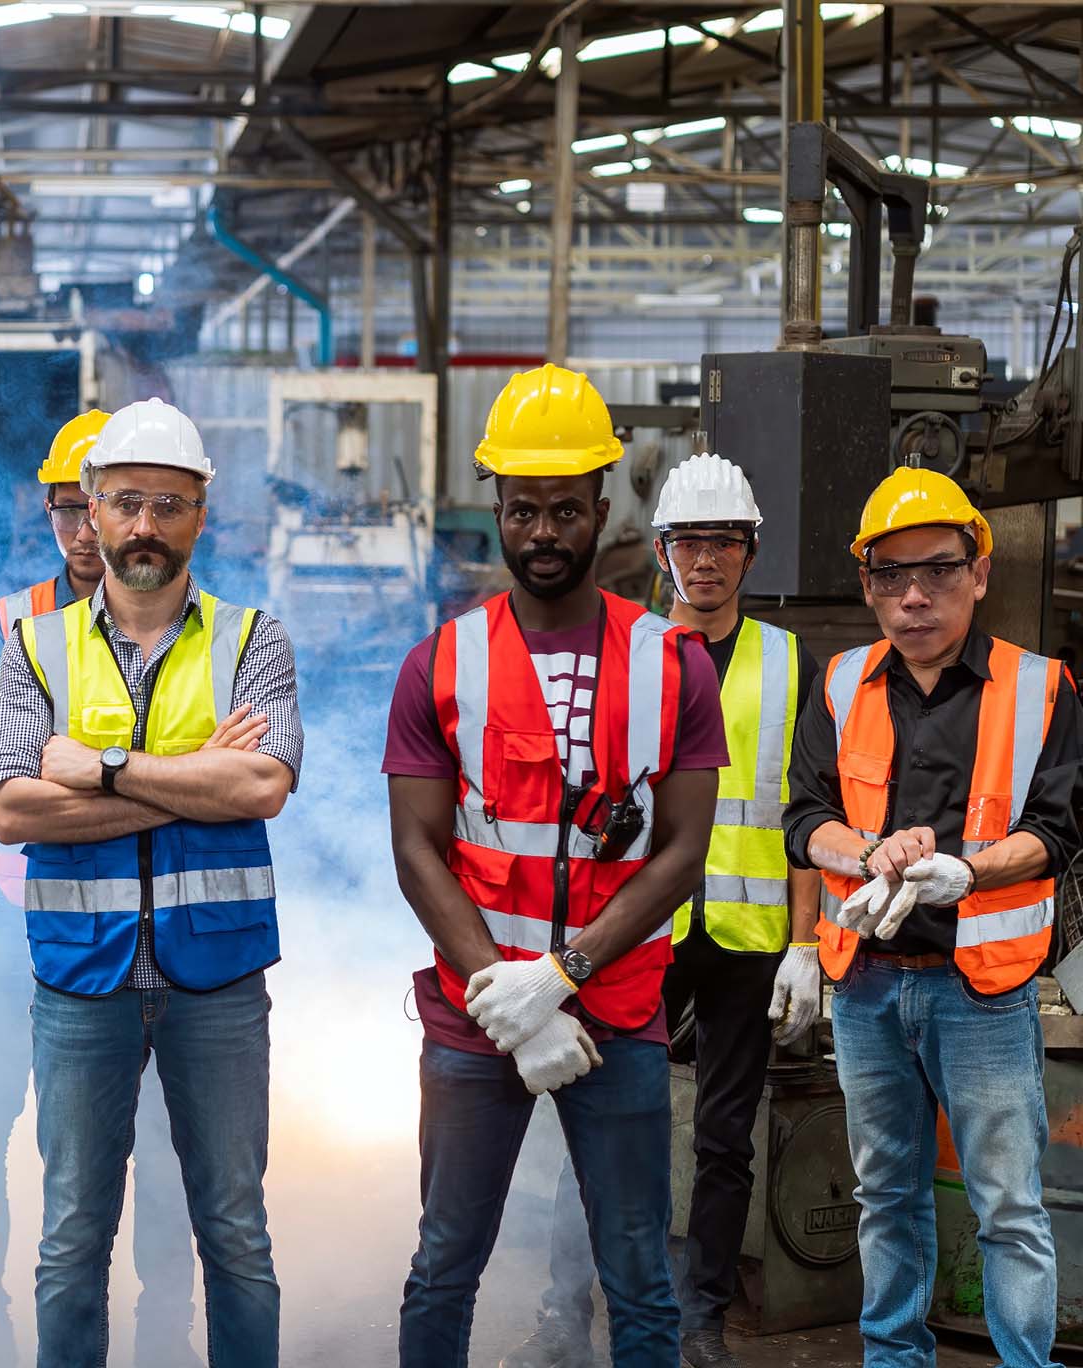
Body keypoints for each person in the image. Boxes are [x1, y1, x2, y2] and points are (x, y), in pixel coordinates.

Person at [384, 365, 728, 1368]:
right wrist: (507, 995)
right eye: (524, 509)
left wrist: (561, 977)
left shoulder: (669, 662)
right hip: (473, 1014)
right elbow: (417, 848)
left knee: (636, 1277)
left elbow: (680, 853)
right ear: (496, 503)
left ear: (602, 505)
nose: (543, 532)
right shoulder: (439, 663)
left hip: (615, 1008)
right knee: (444, 1263)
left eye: (565, 510)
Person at [0, 397, 303, 1368]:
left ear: (200, 513)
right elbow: (10, 809)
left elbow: (262, 785)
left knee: (234, 1236)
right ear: (88, 509)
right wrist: (192, 781)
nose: (143, 527)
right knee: (72, 1239)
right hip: (81, 980)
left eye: (167, 504)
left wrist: (105, 768)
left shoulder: (253, 640)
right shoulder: (34, 645)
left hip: (218, 983)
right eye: (124, 503)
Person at [505, 453, 822, 1368]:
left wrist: (805, 942)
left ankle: (700, 1323)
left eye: (726, 542)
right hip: (638, 927)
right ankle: (568, 1312)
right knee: (598, 1121)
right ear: (662, 550)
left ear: (750, 553)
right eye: (692, 542)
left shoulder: (788, 660)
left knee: (726, 1140)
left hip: (747, 934)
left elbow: (800, 811)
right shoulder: (623, 652)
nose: (709, 561)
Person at [784, 467, 1080, 1368]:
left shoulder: (1042, 688)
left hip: (982, 995)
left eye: (939, 571)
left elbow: (1061, 832)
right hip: (868, 990)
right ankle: (894, 1360)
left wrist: (968, 871)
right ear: (867, 582)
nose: (914, 597)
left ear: (979, 572)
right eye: (890, 576)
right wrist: (866, 855)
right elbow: (806, 818)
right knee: (886, 1197)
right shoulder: (840, 683)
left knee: (1009, 1209)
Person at [0, 410, 198, 1368]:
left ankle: (164, 1333)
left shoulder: (199, 628)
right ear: (61, 508)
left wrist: (88, 774)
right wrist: (163, 784)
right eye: (70, 512)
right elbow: (6, 795)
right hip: (23, 920)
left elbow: (230, 786)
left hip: (160, 925)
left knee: (163, 1152)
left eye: (109, 509)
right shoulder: (13, 626)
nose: (89, 535)